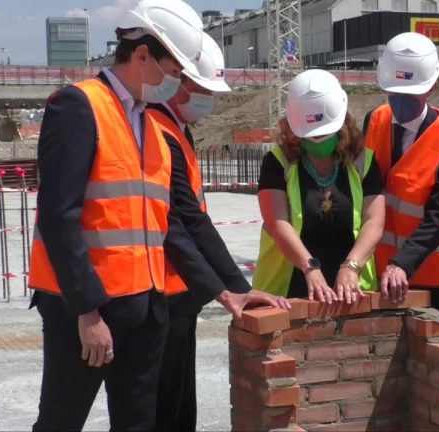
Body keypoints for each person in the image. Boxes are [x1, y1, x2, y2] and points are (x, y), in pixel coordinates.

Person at [27, 1, 207, 430]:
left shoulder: (147, 122)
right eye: (174, 68)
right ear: (142, 55)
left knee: (137, 424)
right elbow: (58, 215)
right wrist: (87, 314)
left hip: (144, 309)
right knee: (61, 421)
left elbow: (165, 223)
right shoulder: (79, 106)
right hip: (88, 311)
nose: (178, 80)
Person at [148, 33, 289, 431]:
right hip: (163, 289)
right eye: (203, 89)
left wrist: (232, 285)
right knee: (163, 409)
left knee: (178, 407)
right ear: (178, 82)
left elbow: (195, 218)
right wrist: (228, 288)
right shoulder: (158, 131)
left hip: (181, 290)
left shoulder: (176, 129)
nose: (207, 99)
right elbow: (180, 222)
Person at [363, 32, 439, 323]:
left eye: (408, 95)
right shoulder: (374, 121)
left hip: (434, 280)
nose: (399, 102)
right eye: (393, 93)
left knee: (431, 363)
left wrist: (403, 263)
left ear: (432, 89)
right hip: (379, 272)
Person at [254, 69, 385, 303]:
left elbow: (374, 221)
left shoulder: (363, 161)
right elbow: (277, 223)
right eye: (310, 136)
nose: (317, 141)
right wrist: (310, 268)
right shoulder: (277, 162)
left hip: (352, 290)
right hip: (287, 291)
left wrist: (352, 266)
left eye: (324, 133)